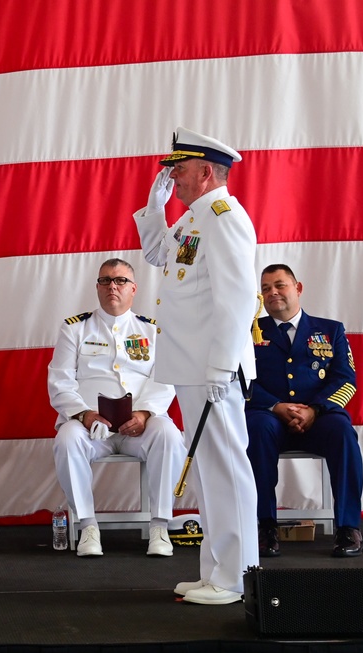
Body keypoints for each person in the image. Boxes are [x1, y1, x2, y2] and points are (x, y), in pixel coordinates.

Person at [133, 127, 261, 605]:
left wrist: (220, 368)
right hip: (192, 367)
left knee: (225, 470)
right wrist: (155, 207)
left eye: (179, 170)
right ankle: (215, 571)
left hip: (214, 371)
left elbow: (236, 299)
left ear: (206, 172)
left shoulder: (224, 217)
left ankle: (238, 577)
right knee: (207, 472)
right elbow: (156, 255)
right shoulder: (193, 218)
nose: (173, 177)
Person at [49, 258, 185, 558]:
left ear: (133, 288)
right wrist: (84, 414)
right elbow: (59, 380)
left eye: (120, 280)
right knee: (66, 439)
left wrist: (145, 413)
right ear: (97, 287)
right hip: (92, 427)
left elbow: (167, 377)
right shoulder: (75, 328)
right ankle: (88, 527)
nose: (113, 286)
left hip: (141, 425)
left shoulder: (152, 330)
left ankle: (160, 526)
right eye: (105, 280)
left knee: (170, 436)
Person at [246, 264, 363, 557]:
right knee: (256, 429)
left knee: (343, 433)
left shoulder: (330, 330)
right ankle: (264, 526)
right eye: (265, 288)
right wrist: (277, 406)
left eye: (280, 285)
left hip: (319, 418)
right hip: (269, 416)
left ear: (298, 288)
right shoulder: (249, 332)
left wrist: (314, 410)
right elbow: (241, 381)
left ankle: (348, 526)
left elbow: (345, 380)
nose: (272, 292)